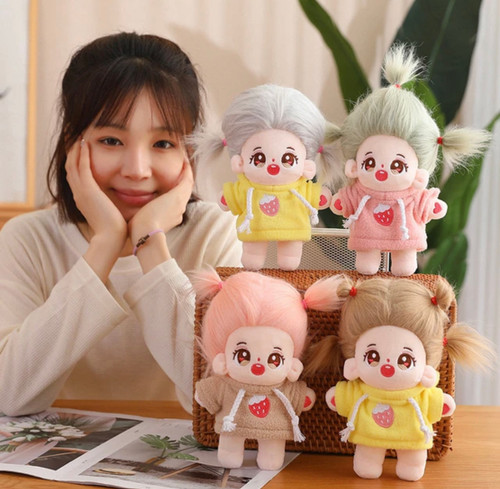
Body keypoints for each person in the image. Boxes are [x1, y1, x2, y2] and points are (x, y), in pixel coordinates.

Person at [0, 32, 241, 416]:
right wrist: (105, 244)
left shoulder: (216, 234)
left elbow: (225, 399)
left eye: (163, 144)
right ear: (72, 145)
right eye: (111, 140)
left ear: (188, 152)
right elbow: (8, 394)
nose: (137, 170)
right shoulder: (27, 240)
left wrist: (151, 244)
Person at [303, 275, 494, 481]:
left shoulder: (418, 394)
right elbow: (341, 397)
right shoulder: (362, 391)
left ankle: (410, 465)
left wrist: (440, 403)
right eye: (372, 357)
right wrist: (338, 397)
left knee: (411, 464)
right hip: (369, 438)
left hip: (412, 438)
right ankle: (371, 464)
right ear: (354, 362)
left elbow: (438, 404)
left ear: (426, 367)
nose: (387, 367)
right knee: (367, 463)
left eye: (405, 359)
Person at [328, 44, 490, 276]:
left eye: (397, 165)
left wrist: (431, 206)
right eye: (369, 164)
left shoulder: (413, 194)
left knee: (404, 266)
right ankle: (372, 266)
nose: (381, 172)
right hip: (367, 237)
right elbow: (346, 200)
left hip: (404, 237)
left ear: (418, 171)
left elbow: (425, 203)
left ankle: (402, 266)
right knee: (366, 266)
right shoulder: (360, 192)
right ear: (354, 166)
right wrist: (341, 202)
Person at [192, 84, 343, 270]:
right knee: (252, 259)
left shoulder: (298, 188)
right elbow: (234, 196)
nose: (273, 166)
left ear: (306, 165)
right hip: (255, 229)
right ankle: (255, 259)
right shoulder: (247, 188)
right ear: (239, 162)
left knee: (289, 259)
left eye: (288, 159)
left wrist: (319, 196)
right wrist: (228, 198)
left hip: (292, 229)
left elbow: (312, 195)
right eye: (259, 158)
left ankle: (287, 260)